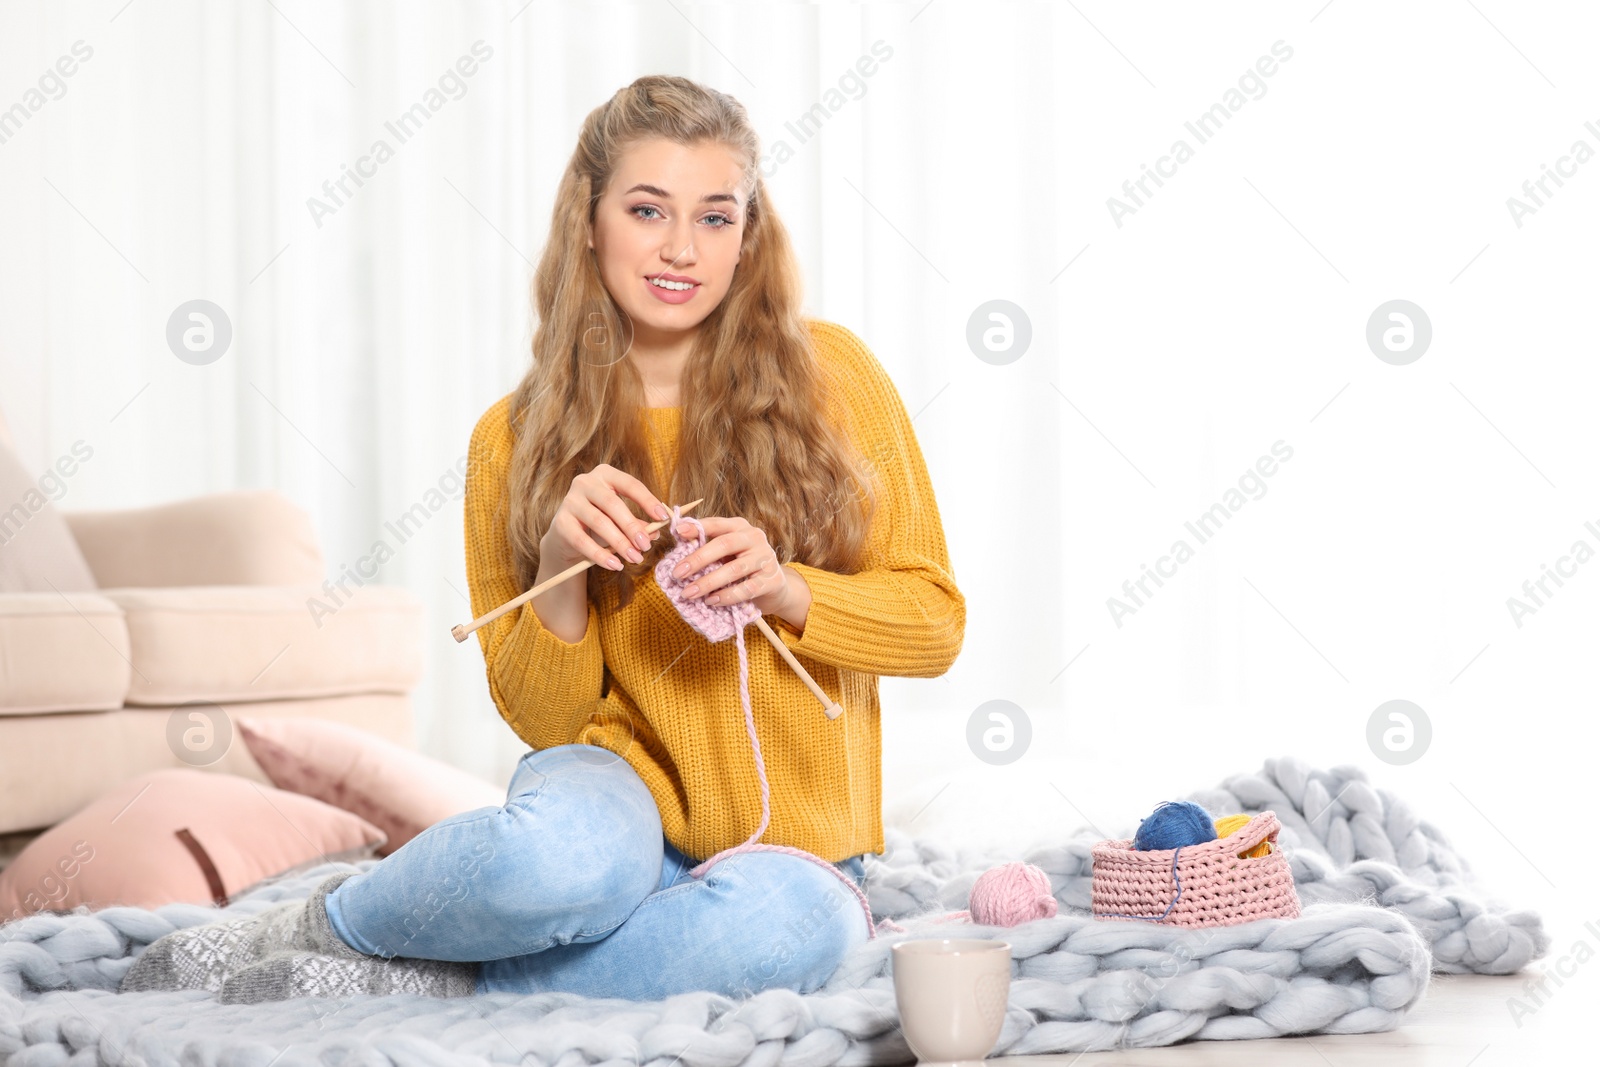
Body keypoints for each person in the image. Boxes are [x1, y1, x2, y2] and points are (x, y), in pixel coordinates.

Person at [120, 74, 964, 1005]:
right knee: (559, 864)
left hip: (801, 849)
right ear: (591, 221)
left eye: (716, 217)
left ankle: (441, 982)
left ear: (748, 238)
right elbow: (547, 723)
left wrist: (791, 591)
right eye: (648, 210)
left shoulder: (836, 376)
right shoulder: (513, 438)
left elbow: (935, 625)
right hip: (612, 794)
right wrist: (560, 568)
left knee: (786, 932)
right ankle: (330, 922)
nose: (682, 248)